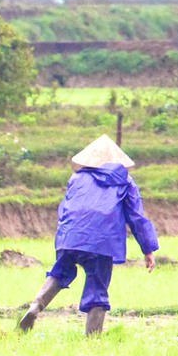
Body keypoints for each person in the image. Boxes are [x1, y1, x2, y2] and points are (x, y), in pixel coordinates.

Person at [17, 134, 158, 335]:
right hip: (102, 241)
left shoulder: (76, 178)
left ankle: (35, 306)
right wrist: (148, 248)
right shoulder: (125, 182)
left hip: (70, 235)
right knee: (97, 283)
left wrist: (64, 237)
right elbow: (136, 217)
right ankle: (92, 337)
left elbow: (65, 209)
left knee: (61, 271)